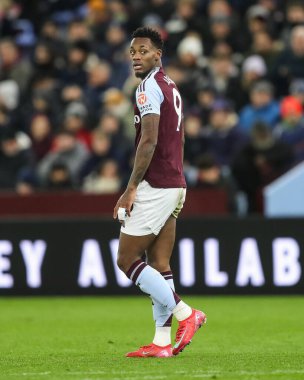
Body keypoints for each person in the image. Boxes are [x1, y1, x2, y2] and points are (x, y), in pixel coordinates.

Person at [113, 27, 207, 358]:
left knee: (126, 259)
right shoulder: (171, 86)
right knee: (160, 263)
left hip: (158, 184)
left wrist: (132, 187)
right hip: (176, 183)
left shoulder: (147, 88)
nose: (136, 56)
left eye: (143, 50)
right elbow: (176, 138)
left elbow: (148, 140)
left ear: (158, 54)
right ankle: (162, 342)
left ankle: (186, 314)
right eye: (132, 52)